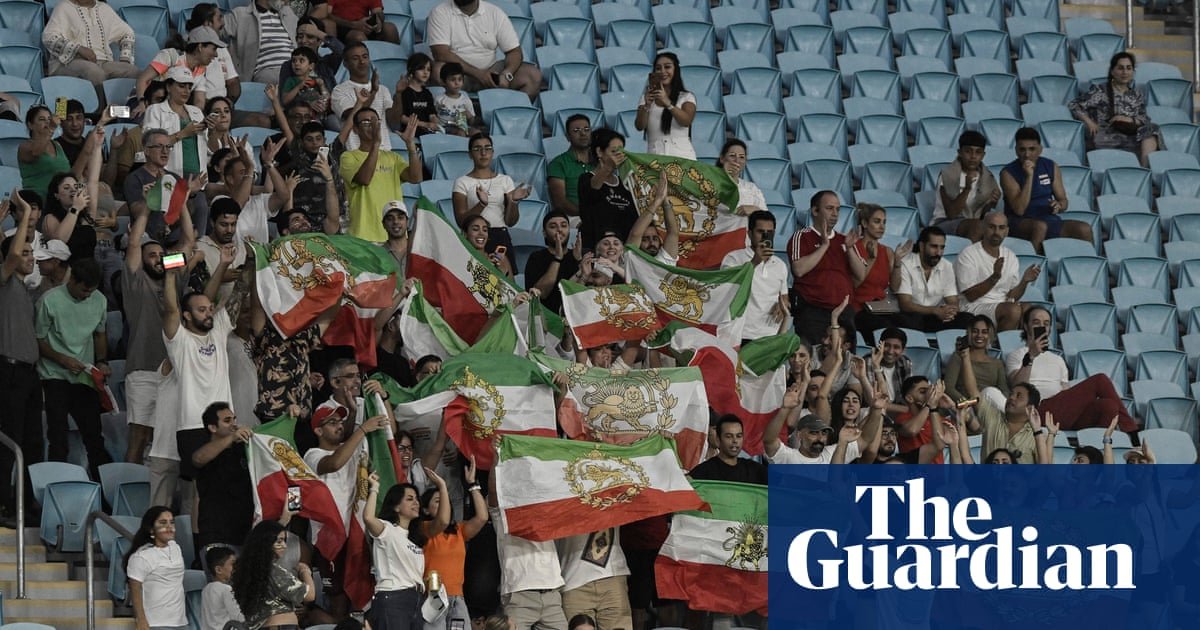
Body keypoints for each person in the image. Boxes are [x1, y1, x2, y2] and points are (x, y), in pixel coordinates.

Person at [121, 208, 194, 464]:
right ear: (142, 261)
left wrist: (182, 203)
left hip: (173, 372)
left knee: (166, 439)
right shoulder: (136, 281)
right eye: (151, 255)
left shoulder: (173, 279)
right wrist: (145, 209)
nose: (158, 259)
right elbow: (133, 243)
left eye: (162, 255)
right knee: (139, 436)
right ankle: (128, 486)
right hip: (142, 370)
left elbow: (188, 241)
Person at [36, 257, 112, 477]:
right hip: (54, 375)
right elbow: (38, 340)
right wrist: (62, 359)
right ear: (72, 280)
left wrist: (102, 361)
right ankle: (57, 486)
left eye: (92, 291)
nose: (87, 295)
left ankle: (102, 489)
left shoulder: (99, 300)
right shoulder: (49, 300)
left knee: (94, 437)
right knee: (58, 437)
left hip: (84, 376)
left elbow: (100, 334)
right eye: (84, 290)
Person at [1006, 306, 1136, 433]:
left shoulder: (1058, 359)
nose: (1042, 327)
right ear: (1026, 326)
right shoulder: (1017, 355)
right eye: (1036, 323)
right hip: (1036, 411)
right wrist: (1031, 356)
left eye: (1046, 324)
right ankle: (1131, 431)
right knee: (1100, 380)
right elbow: (1017, 387)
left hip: (1062, 414)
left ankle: (1096, 444)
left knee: (1109, 406)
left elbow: (1066, 393)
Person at [0, 192, 41, 523]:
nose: (30, 258)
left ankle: (27, 504)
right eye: (25, 253)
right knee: (8, 443)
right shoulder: (4, 282)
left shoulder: (25, 290)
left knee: (32, 444)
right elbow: (10, 253)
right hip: (9, 371)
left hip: (29, 374)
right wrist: (25, 213)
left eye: (32, 253)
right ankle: (3, 504)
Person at [419, 456, 489, 630]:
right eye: (438, 501)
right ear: (425, 509)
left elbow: (482, 517)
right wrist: (443, 486)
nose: (445, 505)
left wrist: (472, 484)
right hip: (433, 598)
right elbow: (442, 521)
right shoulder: (424, 528)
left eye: (446, 502)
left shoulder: (458, 530)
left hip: (458, 598)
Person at [999, 127, 1094, 253]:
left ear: (1040, 149)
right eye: (1022, 149)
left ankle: (1089, 264)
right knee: (1040, 227)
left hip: (1048, 218)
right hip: (1019, 222)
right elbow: (1019, 210)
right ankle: (1035, 264)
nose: (1027, 154)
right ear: (1016, 150)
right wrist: (1029, 176)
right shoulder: (1007, 173)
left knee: (1084, 229)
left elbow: (1063, 201)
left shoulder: (1050, 166)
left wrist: (1058, 206)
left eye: (1032, 149)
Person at [426, 0, 543, 99]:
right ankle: (453, 114)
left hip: (491, 72)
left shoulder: (495, 13)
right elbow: (441, 53)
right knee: (438, 71)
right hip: (458, 74)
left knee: (533, 75)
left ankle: (506, 113)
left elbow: (514, 52)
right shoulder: (440, 12)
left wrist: (507, 74)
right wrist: (478, 74)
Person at [340, 107, 422, 243]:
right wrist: (376, 144)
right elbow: (364, 179)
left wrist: (410, 145)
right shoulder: (348, 157)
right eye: (366, 122)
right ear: (355, 129)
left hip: (393, 234)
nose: (372, 126)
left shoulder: (392, 157)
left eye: (375, 121)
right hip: (363, 234)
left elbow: (416, 178)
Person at [363, 473, 432, 630]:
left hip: (416, 599)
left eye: (417, 499)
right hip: (394, 597)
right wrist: (374, 488)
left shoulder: (413, 539)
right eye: (410, 499)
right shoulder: (387, 529)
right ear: (396, 507)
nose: (416, 502)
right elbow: (368, 518)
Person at [1070, 51, 1161, 168]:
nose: (1125, 72)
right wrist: (1089, 122)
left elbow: (1143, 119)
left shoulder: (1137, 95)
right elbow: (1074, 105)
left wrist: (1127, 119)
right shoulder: (1100, 90)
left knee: (1152, 128)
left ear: (1133, 72)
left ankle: (1143, 170)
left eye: (1128, 68)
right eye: (1120, 68)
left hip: (1130, 135)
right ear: (1112, 71)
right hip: (1106, 135)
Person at [787, 190, 855, 345]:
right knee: (814, 356)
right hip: (813, 310)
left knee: (846, 357)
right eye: (830, 208)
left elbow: (861, 275)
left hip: (844, 311)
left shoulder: (844, 240)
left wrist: (850, 249)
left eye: (838, 209)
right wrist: (824, 246)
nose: (835, 214)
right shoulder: (802, 236)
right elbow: (798, 270)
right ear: (815, 211)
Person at [452, 132, 530, 267]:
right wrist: (482, 204)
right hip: (475, 237)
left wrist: (513, 201)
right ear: (470, 154)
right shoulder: (462, 182)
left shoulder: (505, 180)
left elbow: (510, 222)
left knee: (505, 276)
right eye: (477, 149)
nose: (483, 153)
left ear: (493, 152)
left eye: (487, 148)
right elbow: (461, 221)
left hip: (500, 236)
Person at [953, 212, 1040, 331]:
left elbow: (1011, 296)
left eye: (1001, 228)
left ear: (1007, 231)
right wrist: (994, 277)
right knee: (1013, 310)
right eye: (992, 227)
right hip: (973, 307)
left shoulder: (1010, 256)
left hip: (1002, 306)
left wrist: (1024, 281)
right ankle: (999, 342)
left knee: (1032, 312)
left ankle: (1033, 343)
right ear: (983, 228)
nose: (996, 232)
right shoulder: (968, 254)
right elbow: (970, 296)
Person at [231, 520, 316, 630]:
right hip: (282, 626)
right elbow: (309, 595)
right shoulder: (274, 571)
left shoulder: (246, 571)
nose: (284, 546)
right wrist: (305, 571)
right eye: (279, 541)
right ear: (266, 543)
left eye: (284, 541)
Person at [190, 402, 254, 549]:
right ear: (212, 428)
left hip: (244, 532)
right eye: (227, 421)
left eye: (234, 419)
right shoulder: (205, 448)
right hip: (216, 534)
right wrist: (231, 438)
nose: (233, 424)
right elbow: (198, 459)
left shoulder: (243, 449)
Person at [721, 210, 789, 344]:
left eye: (769, 232)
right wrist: (755, 261)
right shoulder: (733, 258)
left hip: (771, 335)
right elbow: (727, 291)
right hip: (740, 334)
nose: (765, 236)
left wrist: (782, 305)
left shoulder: (780, 265)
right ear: (750, 233)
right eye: (760, 231)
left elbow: (784, 296)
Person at [42, 0, 138, 89]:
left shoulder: (104, 8)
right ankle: (100, 103)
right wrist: (79, 49)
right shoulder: (63, 7)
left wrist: (125, 59)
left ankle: (125, 102)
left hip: (103, 63)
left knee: (132, 71)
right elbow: (49, 37)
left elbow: (127, 33)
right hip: (68, 62)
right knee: (94, 72)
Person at [894, 225, 972, 332]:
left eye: (942, 248)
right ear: (922, 246)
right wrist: (935, 310)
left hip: (935, 317)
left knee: (968, 319)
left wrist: (950, 311)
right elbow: (905, 305)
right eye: (934, 247)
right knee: (907, 320)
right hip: (912, 316)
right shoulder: (906, 264)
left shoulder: (947, 266)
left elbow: (953, 301)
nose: (939, 253)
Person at [847, 203, 905, 344]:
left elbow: (895, 287)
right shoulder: (854, 248)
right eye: (877, 221)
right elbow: (854, 284)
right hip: (859, 309)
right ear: (864, 223)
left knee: (909, 323)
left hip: (881, 308)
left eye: (884, 222)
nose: (882, 227)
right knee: (886, 329)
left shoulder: (887, 251)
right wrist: (871, 260)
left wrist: (897, 263)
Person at [125, 506, 188, 630]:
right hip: (156, 623)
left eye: (172, 522)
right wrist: (141, 620)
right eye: (163, 523)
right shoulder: (141, 556)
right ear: (151, 529)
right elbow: (135, 589)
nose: (169, 527)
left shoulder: (175, 547)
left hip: (181, 622)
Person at [330, 43, 400, 150]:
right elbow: (356, 117)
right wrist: (373, 92)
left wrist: (399, 94)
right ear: (345, 64)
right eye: (355, 58)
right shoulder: (339, 90)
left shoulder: (383, 89)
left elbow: (394, 122)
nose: (362, 62)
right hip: (355, 152)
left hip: (384, 151)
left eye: (365, 57)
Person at [933, 130, 1000, 242]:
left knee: (997, 226)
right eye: (968, 151)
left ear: (983, 155)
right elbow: (951, 214)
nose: (973, 156)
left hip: (974, 222)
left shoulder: (988, 178)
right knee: (977, 226)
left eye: (978, 152)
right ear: (960, 152)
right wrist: (967, 189)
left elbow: (982, 215)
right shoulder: (947, 175)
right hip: (944, 223)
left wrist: (992, 203)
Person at [143, 66, 210, 177]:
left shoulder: (197, 112)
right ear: (168, 87)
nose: (186, 91)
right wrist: (183, 133)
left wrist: (212, 129)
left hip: (198, 177)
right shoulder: (155, 110)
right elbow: (151, 145)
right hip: (167, 176)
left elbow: (208, 149)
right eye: (181, 86)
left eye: (189, 87)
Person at [577, 128, 637, 251]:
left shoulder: (625, 183)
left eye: (622, 151)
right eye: (614, 151)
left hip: (624, 250)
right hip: (597, 249)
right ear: (599, 152)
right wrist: (607, 167)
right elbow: (592, 191)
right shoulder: (586, 179)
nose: (620, 155)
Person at [281, 121, 345, 233]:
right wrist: (289, 190)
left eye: (318, 138)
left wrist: (329, 178)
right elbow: (286, 129)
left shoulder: (333, 157)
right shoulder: (298, 160)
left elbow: (346, 129)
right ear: (302, 142)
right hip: (302, 223)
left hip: (329, 221)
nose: (314, 143)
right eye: (309, 139)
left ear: (324, 140)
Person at [635, 52, 696, 159]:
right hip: (655, 156)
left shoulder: (686, 96)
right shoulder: (646, 97)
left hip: (682, 157)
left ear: (675, 70)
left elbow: (686, 121)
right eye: (658, 68)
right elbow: (640, 126)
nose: (663, 71)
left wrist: (668, 103)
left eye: (667, 67)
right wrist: (647, 106)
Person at [224, 0, 299, 84]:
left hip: (297, 67)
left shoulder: (288, 14)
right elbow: (215, 34)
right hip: (268, 72)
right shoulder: (240, 15)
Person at [943, 314, 1010, 403]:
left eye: (984, 332)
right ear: (969, 334)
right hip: (965, 405)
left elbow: (1004, 390)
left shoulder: (997, 363)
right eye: (975, 331)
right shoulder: (959, 356)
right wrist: (968, 403)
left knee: (990, 392)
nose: (979, 335)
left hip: (989, 403)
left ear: (990, 335)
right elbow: (949, 388)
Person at [523, 210, 580, 314]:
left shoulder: (577, 255)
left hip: (575, 314)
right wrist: (557, 259)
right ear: (544, 233)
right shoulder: (536, 257)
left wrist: (579, 262)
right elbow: (540, 294)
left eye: (564, 226)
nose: (559, 230)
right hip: (546, 316)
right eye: (553, 227)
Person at [689, 415, 767, 484]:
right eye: (729, 436)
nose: (735, 441)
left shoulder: (754, 470)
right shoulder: (704, 471)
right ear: (718, 439)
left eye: (739, 436)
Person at [18, 107, 75, 198]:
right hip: (38, 200)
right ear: (30, 125)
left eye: (49, 119)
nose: (47, 122)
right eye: (42, 119)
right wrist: (51, 127)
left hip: (60, 199)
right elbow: (36, 152)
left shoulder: (57, 145)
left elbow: (69, 173)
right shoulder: (25, 146)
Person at [546, 114, 594, 221]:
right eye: (576, 130)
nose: (583, 133)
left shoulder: (600, 161)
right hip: (573, 217)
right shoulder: (558, 163)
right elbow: (560, 203)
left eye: (586, 129)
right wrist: (587, 215)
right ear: (568, 136)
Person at [716, 139, 767, 215]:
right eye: (732, 155)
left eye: (741, 157)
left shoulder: (752, 188)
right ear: (722, 159)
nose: (737, 160)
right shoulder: (710, 183)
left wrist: (755, 211)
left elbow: (767, 218)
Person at [201, 546, 245, 630]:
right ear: (218, 570)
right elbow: (238, 618)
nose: (237, 567)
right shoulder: (226, 589)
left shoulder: (206, 589)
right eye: (233, 564)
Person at [397, 53, 440, 135]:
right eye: (421, 68)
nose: (425, 72)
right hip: (410, 132)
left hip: (427, 133)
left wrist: (435, 123)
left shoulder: (427, 93)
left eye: (428, 69)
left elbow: (432, 114)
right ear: (411, 69)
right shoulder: (405, 92)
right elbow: (402, 118)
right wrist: (424, 124)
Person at [328, 0, 401, 45]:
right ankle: (369, 64)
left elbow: (378, 11)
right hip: (343, 26)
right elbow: (327, 15)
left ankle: (395, 63)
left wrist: (378, 20)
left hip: (365, 24)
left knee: (390, 29)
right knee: (358, 37)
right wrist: (353, 25)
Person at [434, 62, 478, 137]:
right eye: (453, 80)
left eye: (460, 79)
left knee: (477, 133)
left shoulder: (465, 100)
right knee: (461, 133)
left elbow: (471, 122)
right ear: (443, 82)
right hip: (445, 128)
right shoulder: (439, 99)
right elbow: (433, 116)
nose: (457, 83)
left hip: (462, 127)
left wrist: (470, 117)